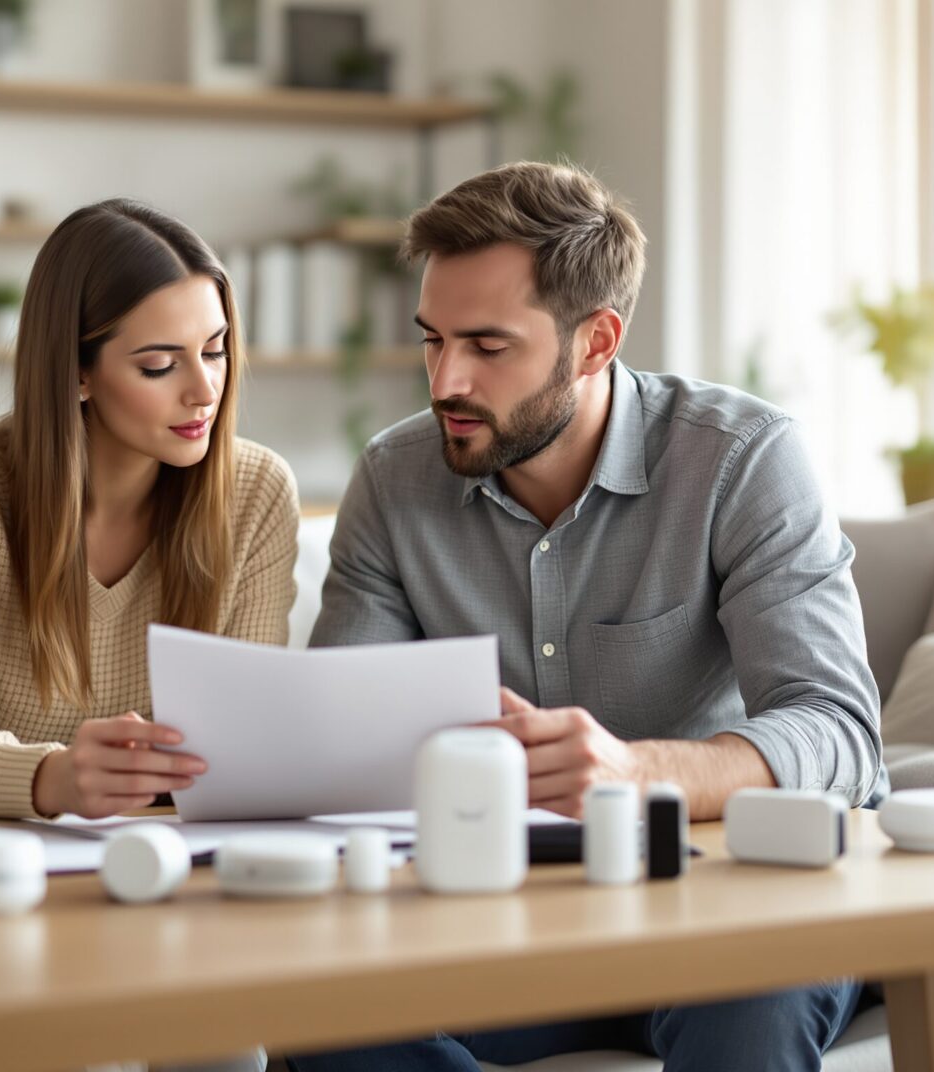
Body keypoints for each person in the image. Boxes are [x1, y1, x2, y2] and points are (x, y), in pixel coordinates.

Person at [290, 162, 885, 1072]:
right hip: (504, 914)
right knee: (327, 1018)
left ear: (596, 342)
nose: (445, 379)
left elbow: (842, 735)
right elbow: (341, 735)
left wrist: (636, 769)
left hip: (726, 902)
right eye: (431, 340)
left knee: (752, 1009)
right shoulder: (393, 477)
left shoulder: (742, 461)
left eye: (489, 347)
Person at [0, 198, 299, 824]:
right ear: (76, 373)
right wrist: (53, 778)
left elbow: (255, 741)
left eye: (214, 351)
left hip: (184, 866)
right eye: (159, 365)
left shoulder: (257, 492)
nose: (206, 391)